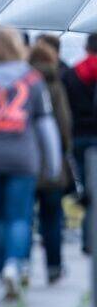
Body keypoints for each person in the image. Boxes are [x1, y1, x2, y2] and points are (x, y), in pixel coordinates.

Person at [0, 29, 62, 300]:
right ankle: (14, 264)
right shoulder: (32, 80)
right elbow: (45, 125)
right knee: (19, 217)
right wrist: (52, 163)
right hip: (23, 156)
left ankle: (1, 270)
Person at [29, 38, 73, 284]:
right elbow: (64, 123)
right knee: (52, 216)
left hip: (25, 159)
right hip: (52, 160)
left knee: (22, 215)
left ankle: (21, 263)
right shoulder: (55, 83)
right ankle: (54, 266)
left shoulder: (21, 82)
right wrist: (64, 150)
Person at [62, 32, 97, 254]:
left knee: (89, 191)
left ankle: (88, 239)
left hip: (79, 137)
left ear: (86, 48)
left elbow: (66, 110)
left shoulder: (72, 74)